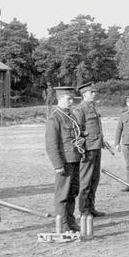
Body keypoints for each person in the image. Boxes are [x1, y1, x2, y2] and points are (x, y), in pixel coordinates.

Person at [45, 86, 83, 232]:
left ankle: (71, 221)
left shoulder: (71, 116)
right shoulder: (54, 118)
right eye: (69, 98)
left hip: (74, 159)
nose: (72, 101)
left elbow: (76, 136)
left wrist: (81, 140)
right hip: (64, 162)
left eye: (72, 98)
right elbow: (51, 145)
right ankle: (63, 224)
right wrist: (57, 165)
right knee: (62, 195)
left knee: (73, 192)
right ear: (60, 99)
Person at [73, 82, 107, 217]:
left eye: (94, 92)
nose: (94, 94)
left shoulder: (93, 108)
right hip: (87, 148)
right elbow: (77, 131)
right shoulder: (80, 110)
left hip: (96, 146)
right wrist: (86, 139)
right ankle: (84, 210)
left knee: (94, 179)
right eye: (91, 92)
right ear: (84, 94)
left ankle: (91, 207)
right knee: (85, 180)